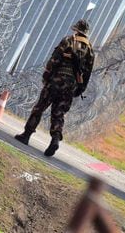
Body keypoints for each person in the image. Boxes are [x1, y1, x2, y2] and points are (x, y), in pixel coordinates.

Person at [15, 19, 95, 156]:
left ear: (76, 29)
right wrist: (80, 89)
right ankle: (55, 140)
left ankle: (26, 135)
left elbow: (54, 60)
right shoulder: (90, 50)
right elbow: (87, 73)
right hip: (71, 86)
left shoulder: (68, 41)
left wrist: (46, 77)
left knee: (39, 108)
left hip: (56, 80)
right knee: (58, 113)